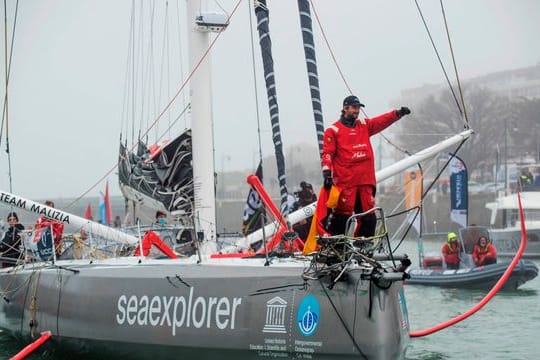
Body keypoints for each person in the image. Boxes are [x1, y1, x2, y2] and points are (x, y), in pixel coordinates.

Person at [321, 95, 410, 236]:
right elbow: (327, 153)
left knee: (369, 218)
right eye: (354, 108)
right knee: (342, 218)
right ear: (345, 108)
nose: (357, 111)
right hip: (346, 184)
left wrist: (397, 114)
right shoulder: (333, 130)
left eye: (358, 108)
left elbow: (381, 121)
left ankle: (362, 249)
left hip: (365, 182)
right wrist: (326, 173)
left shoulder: (364, 125)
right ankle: (335, 250)